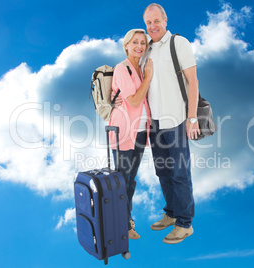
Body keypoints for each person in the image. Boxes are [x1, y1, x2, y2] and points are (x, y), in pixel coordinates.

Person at [141, 3, 200, 244]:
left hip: (176, 120)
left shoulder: (179, 43)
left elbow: (193, 82)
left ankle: (185, 224)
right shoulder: (146, 50)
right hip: (154, 122)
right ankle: (171, 213)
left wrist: (192, 117)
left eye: (156, 21)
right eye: (148, 23)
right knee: (163, 172)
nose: (152, 26)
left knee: (180, 174)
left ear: (165, 20)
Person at [108, 29, 153, 240]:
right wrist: (149, 78)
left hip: (141, 130)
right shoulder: (121, 68)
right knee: (122, 180)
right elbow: (134, 100)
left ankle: (125, 218)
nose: (139, 46)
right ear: (126, 45)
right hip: (124, 131)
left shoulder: (141, 68)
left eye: (143, 43)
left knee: (131, 180)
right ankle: (123, 224)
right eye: (135, 42)